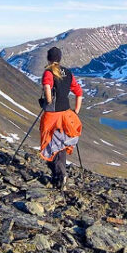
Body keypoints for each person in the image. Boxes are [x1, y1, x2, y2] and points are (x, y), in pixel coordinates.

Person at [38, 47, 83, 190]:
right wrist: (76, 111)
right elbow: (79, 92)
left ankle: (60, 174)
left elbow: (47, 86)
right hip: (66, 114)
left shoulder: (49, 72)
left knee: (49, 141)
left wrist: (49, 102)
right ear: (60, 58)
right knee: (61, 142)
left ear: (48, 58)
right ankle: (59, 175)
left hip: (53, 115)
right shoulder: (68, 73)